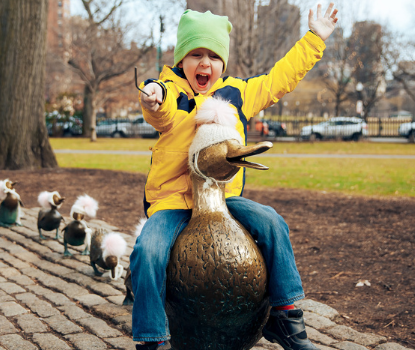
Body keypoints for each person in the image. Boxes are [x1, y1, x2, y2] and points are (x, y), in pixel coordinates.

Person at [133, 3, 339, 350]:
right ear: (181, 60)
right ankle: (152, 337)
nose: (204, 63)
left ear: (222, 64)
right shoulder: (171, 90)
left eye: (213, 56)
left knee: (272, 222)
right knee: (148, 249)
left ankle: (285, 317)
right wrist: (152, 99)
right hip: (172, 202)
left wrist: (315, 38)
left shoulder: (238, 94)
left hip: (223, 200)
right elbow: (160, 102)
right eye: (195, 54)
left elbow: (280, 79)